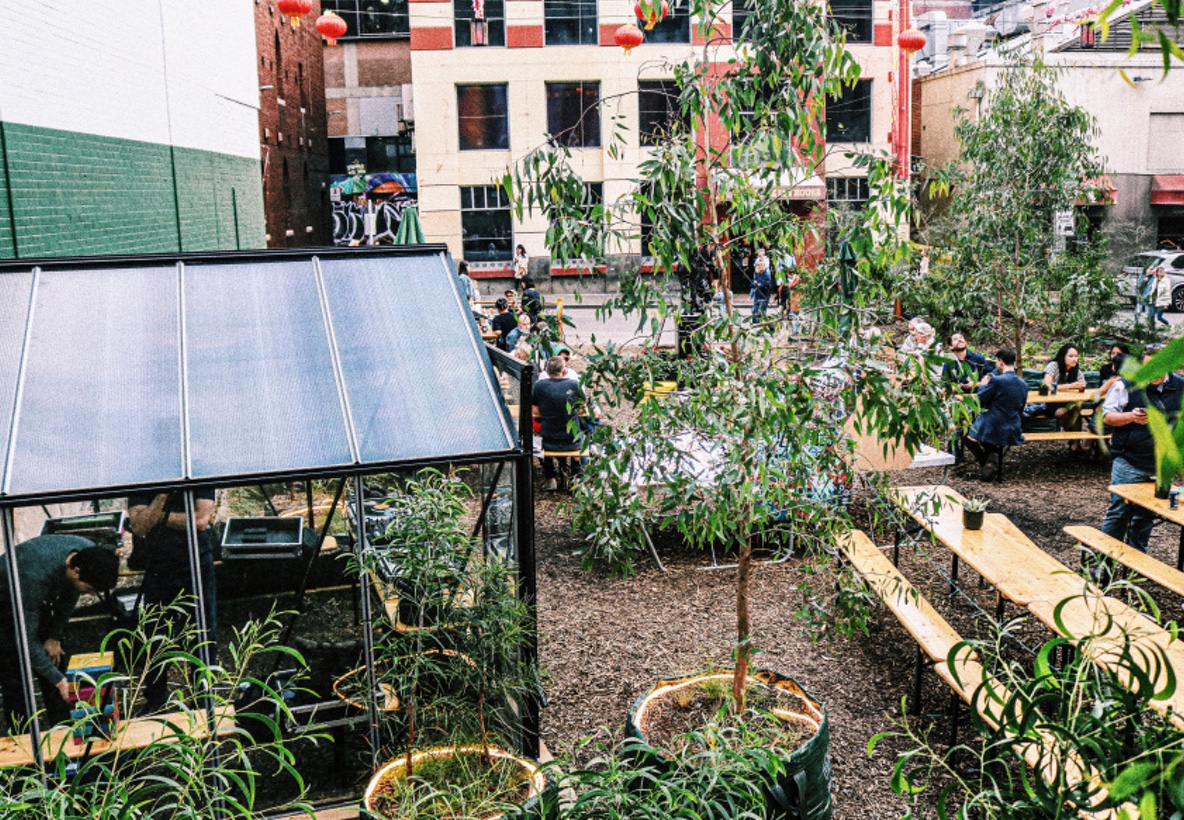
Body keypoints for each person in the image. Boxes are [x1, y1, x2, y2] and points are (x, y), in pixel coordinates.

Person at [0, 536, 119, 730]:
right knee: (15, 671)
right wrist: (58, 681)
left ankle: (62, 727)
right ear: (76, 571)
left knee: (55, 657)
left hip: (34, 600)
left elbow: (68, 598)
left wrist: (54, 636)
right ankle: (22, 737)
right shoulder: (34, 577)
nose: (90, 595)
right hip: (5, 599)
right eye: (89, 589)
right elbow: (26, 641)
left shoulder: (87, 553)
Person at [127, 490, 217, 713]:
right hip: (158, 567)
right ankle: (156, 700)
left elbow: (200, 521)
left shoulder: (195, 470)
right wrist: (161, 496)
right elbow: (138, 526)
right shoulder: (143, 478)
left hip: (197, 562)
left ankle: (203, 697)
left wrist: (158, 516)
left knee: (203, 632)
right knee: (155, 634)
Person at [1101, 345, 1184, 555]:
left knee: (1146, 515)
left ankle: (1135, 563)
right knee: (1119, 512)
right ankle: (1105, 560)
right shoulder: (1126, 385)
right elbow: (1108, 416)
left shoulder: (1180, 386)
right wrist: (1130, 416)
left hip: (1159, 464)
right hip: (1128, 461)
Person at [963, 349, 1028, 481]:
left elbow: (978, 400)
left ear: (1001, 362)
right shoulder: (1023, 384)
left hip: (993, 426)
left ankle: (987, 463)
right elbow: (1021, 408)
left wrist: (983, 385)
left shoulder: (997, 381)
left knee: (965, 435)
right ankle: (991, 458)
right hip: (1013, 428)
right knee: (985, 434)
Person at [532, 357, 587, 491]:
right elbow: (582, 408)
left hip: (547, 441)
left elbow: (535, 410)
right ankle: (577, 475)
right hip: (572, 441)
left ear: (547, 370)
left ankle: (550, 477)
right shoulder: (574, 385)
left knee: (535, 441)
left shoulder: (539, 385)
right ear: (563, 371)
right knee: (584, 437)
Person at [751, 248, 772, 317]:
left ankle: (764, 325)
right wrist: (756, 284)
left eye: (759, 265)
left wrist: (758, 284)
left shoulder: (766, 274)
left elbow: (764, 284)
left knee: (762, 312)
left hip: (764, 295)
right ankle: (754, 324)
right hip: (757, 295)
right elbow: (753, 283)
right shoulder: (757, 274)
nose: (758, 266)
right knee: (754, 310)